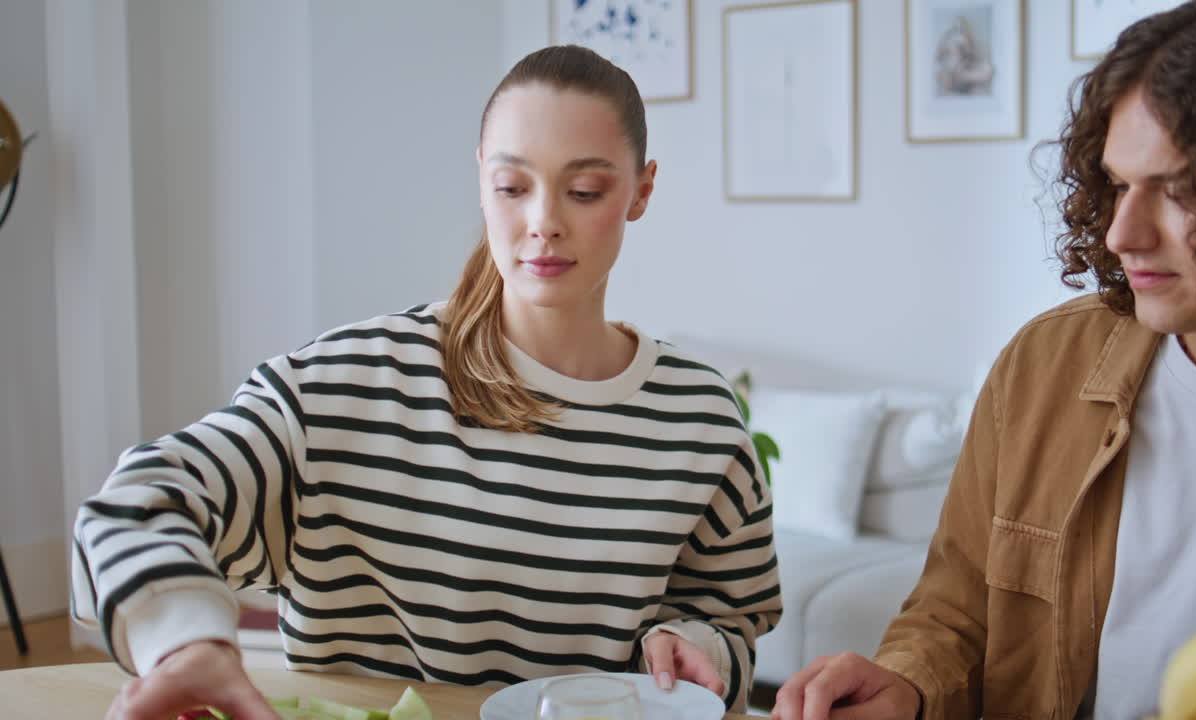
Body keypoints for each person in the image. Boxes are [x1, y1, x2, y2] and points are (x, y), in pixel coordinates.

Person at [72, 45, 781, 720]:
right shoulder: (349, 386)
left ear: (641, 191)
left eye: (585, 189)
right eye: (511, 186)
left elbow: (728, 619)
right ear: (480, 179)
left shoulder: (701, 420)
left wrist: (704, 647)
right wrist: (186, 640)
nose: (543, 223)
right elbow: (139, 500)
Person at [772, 1, 1196, 718]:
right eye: (1118, 185)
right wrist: (909, 688)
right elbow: (955, 611)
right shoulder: (1048, 364)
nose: (1122, 234)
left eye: (1182, 190)